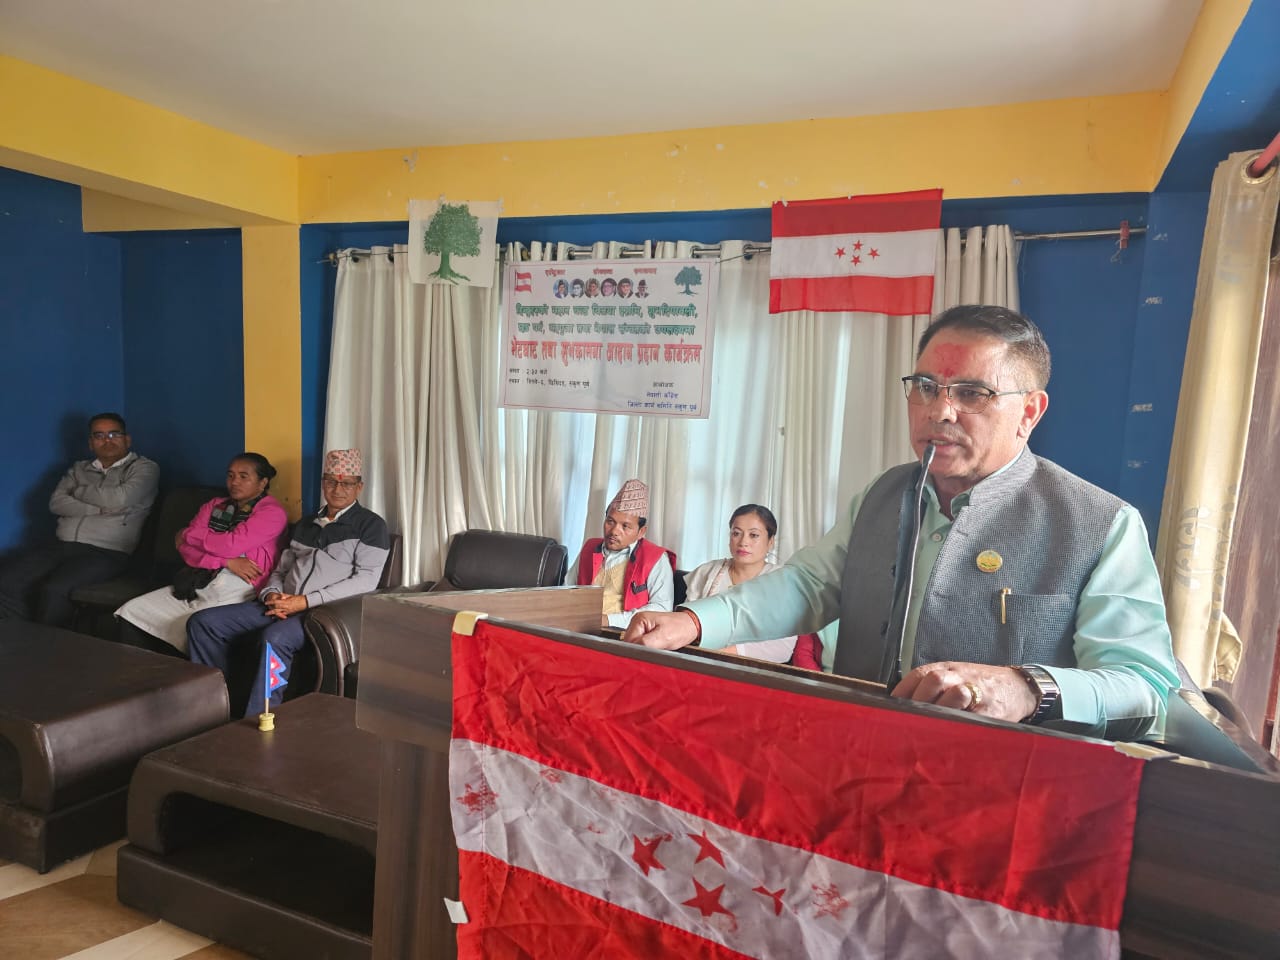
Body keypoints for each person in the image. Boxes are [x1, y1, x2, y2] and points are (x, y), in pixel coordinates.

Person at [625, 306, 1181, 741]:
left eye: (973, 393)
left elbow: (1144, 686)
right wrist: (692, 622)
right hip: (861, 759)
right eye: (926, 387)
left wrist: (1026, 687)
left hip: (1008, 793)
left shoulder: (1101, 524)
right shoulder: (884, 493)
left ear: (1029, 412)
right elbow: (809, 585)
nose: (940, 411)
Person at [186, 449, 390, 717]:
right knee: (203, 622)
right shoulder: (307, 524)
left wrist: (304, 602)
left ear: (359, 487)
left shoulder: (371, 526)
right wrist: (271, 594)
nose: (337, 489)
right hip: (281, 603)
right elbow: (281, 569)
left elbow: (366, 581)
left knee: (275, 638)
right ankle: (217, 704)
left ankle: (261, 717)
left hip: (324, 611)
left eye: (347, 483)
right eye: (330, 481)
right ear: (323, 484)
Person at [115, 453, 287, 656]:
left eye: (243, 476)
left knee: (190, 625)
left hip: (237, 588)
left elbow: (230, 545)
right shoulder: (215, 505)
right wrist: (225, 561)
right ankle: (142, 670)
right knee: (132, 611)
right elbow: (185, 550)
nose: (234, 482)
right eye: (230, 475)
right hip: (196, 580)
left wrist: (187, 533)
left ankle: (181, 671)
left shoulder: (272, 513)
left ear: (262, 483)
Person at [0, 412, 159, 627]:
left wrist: (78, 491)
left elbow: (121, 498)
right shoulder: (79, 468)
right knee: (7, 579)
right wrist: (99, 509)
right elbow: (57, 503)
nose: (107, 440)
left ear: (127, 439)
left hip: (107, 552)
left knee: (55, 590)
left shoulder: (144, 467)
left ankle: (50, 645)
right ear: (91, 443)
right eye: (99, 435)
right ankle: (20, 635)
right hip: (62, 545)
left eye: (114, 434)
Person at [684, 504, 797, 663]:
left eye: (754, 535)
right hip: (697, 661)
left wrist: (723, 654)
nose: (743, 542)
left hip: (752, 669)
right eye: (736, 533)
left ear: (771, 541)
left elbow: (782, 648)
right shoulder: (707, 572)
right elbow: (685, 623)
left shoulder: (782, 582)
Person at [569, 479, 674, 629]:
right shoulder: (590, 548)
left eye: (625, 526)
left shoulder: (656, 559)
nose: (614, 531)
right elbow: (566, 589)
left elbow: (662, 608)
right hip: (578, 628)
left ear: (641, 532)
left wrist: (608, 620)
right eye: (610, 521)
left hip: (622, 634)